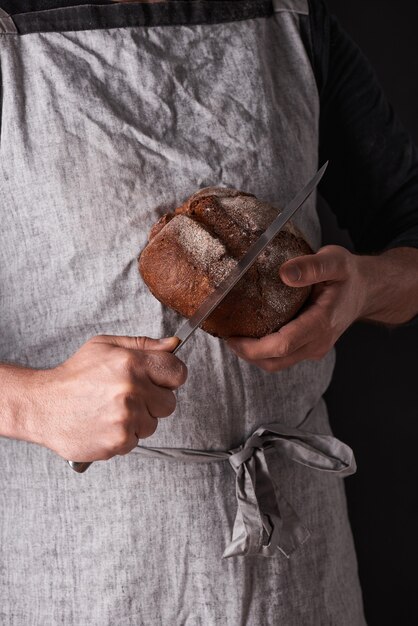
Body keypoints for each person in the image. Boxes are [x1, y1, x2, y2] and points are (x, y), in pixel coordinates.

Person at [0, 0, 417, 624]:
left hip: (299, 560)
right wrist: (30, 402)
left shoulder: (292, 20)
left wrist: (366, 287)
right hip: (90, 565)